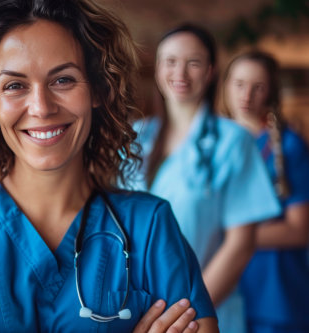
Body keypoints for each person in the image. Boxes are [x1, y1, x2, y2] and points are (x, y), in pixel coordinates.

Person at [0, 0, 219, 332]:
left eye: (63, 80)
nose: (41, 107)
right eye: (14, 85)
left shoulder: (149, 229)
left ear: (98, 90)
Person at [124, 24, 281, 333]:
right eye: (170, 61)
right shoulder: (134, 138)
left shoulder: (233, 140)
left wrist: (189, 313)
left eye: (193, 62)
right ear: (157, 69)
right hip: (137, 315)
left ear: (210, 72)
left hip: (202, 316)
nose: (180, 72)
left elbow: (241, 243)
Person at [222, 50, 309, 333]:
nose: (246, 95)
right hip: (222, 288)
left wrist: (229, 237)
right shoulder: (210, 143)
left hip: (275, 295)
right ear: (224, 86)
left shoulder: (289, 146)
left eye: (257, 87)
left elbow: (299, 230)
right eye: (239, 84)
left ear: (270, 92)